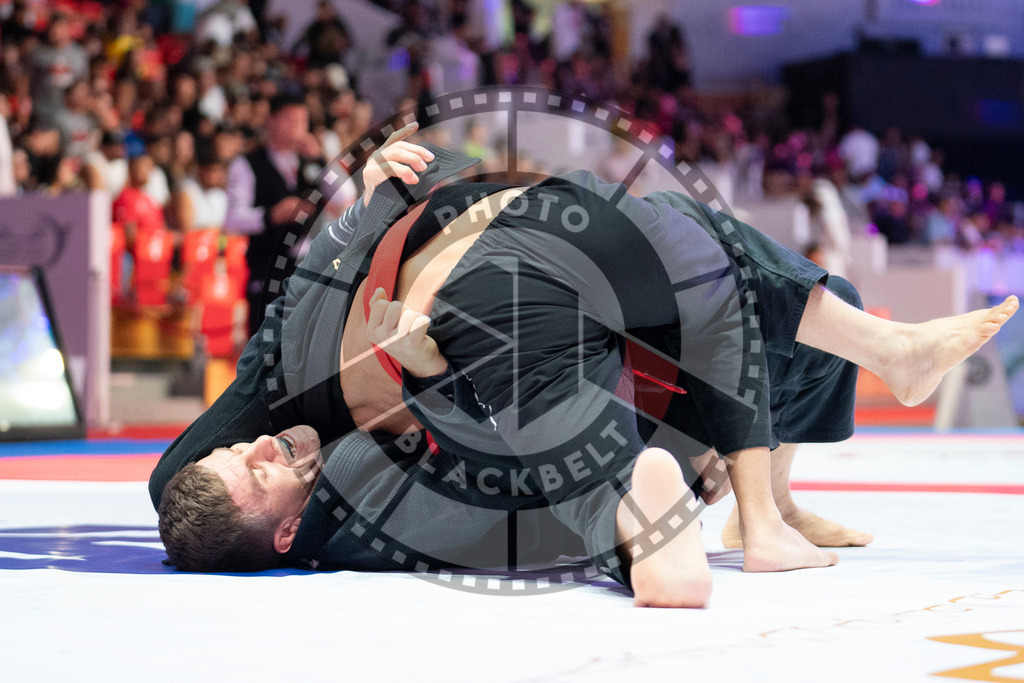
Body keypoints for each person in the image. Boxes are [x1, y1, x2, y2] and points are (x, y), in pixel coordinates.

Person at [152, 125, 1019, 608]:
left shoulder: (283, 376)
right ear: (283, 532)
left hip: (550, 354)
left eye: (242, 449)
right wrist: (401, 387)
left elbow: (168, 483)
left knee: (753, 281)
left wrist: (376, 194)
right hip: (568, 400)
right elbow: (509, 489)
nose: (261, 449)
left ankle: (776, 495)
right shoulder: (346, 493)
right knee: (712, 271)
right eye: (255, 473)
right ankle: (704, 511)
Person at [223, 93, 321, 335]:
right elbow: (231, 219)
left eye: (303, 122)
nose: (298, 128)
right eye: (291, 120)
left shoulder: (308, 163)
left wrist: (319, 158)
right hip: (266, 271)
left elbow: (345, 196)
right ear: (272, 121)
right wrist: (270, 215)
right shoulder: (247, 164)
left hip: (306, 269)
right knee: (265, 350)